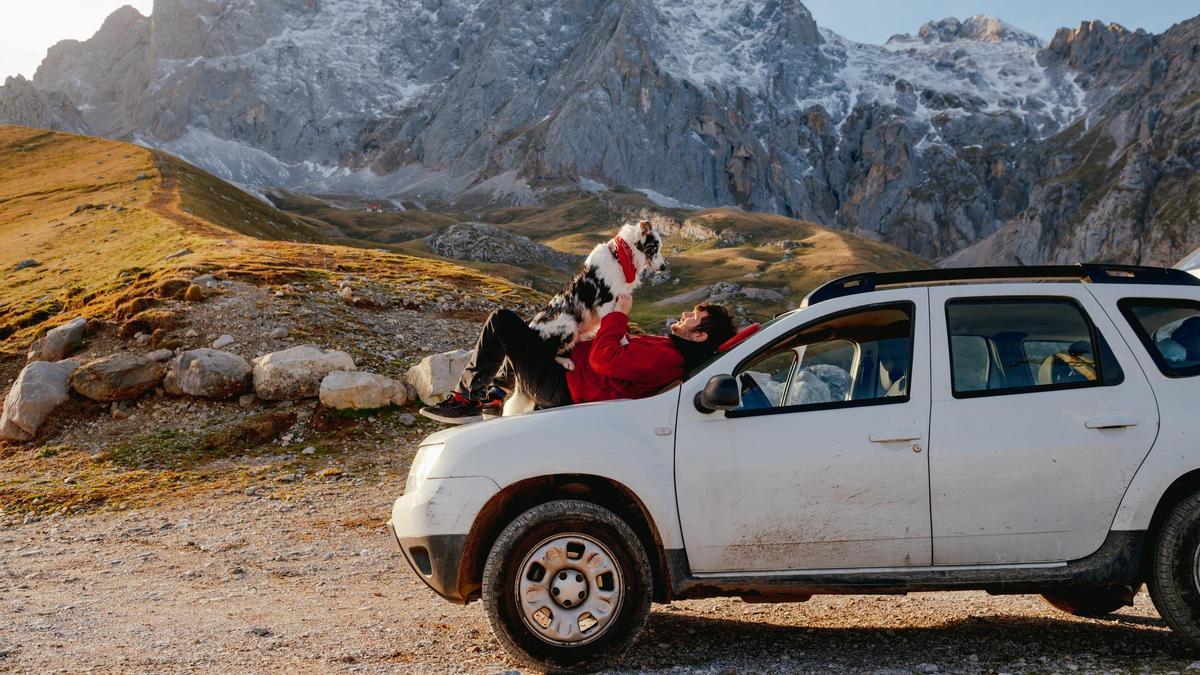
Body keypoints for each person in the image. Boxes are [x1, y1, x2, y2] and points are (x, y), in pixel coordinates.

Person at [420, 294, 737, 424]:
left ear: (700, 336)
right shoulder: (668, 348)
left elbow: (604, 361)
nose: (685, 314)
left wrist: (617, 316)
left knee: (502, 321)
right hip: (567, 373)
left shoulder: (667, 359)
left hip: (562, 387)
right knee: (549, 314)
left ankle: (469, 400)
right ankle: (494, 394)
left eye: (694, 316)